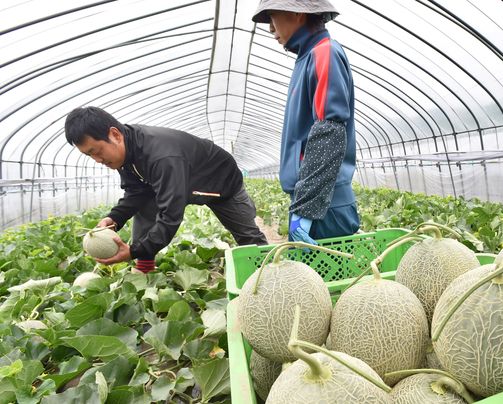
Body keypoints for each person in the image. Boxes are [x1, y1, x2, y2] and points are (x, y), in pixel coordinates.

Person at [65, 106, 267, 272]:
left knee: (248, 235)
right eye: (89, 156)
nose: (98, 160)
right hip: (182, 179)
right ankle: (144, 267)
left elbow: (170, 214)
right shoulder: (125, 154)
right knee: (145, 201)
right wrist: (114, 219)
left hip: (220, 181)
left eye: (97, 151)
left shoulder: (162, 156)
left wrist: (134, 250)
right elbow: (136, 192)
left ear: (115, 135)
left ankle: (269, 271)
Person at [252, 0, 360, 246]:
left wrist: (307, 208)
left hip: (323, 205)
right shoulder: (307, 58)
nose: (270, 28)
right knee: (310, 283)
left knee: (328, 283)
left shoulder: (324, 52)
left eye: (272, 17)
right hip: (312, 201)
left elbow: (329, 130)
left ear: (298, 12)